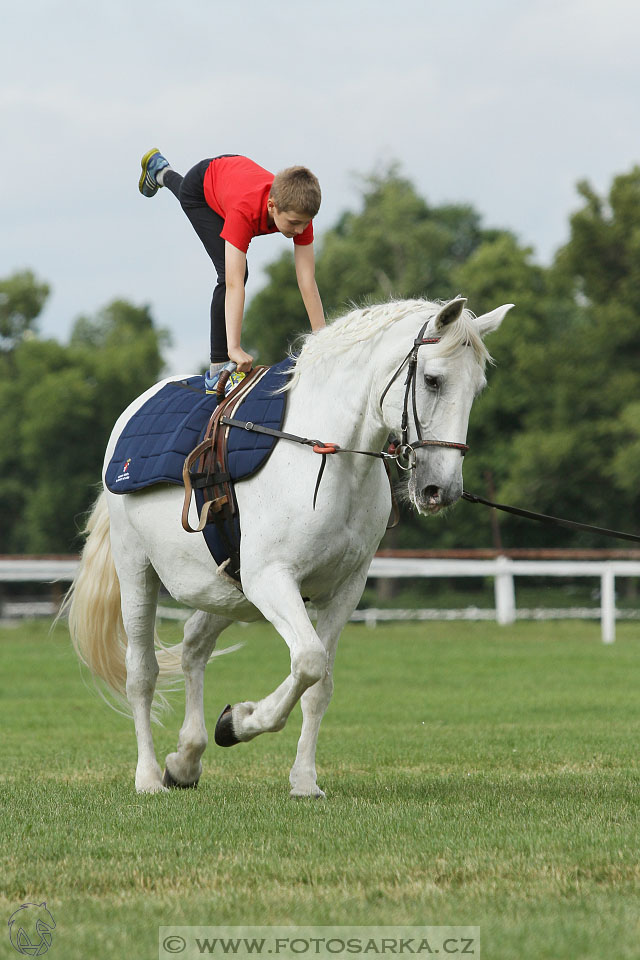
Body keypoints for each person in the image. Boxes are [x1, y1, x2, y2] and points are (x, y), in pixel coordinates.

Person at [139, 149, 325, 377]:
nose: (300, 230)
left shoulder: (301, 214)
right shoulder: (244, 212)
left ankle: (161, 171)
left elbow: (307, 280)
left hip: (232, 177)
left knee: (228, 242)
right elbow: (234, 282)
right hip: (203, 188)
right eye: (294, 223)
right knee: (231, 272)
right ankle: (217, 368)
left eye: (306, 223)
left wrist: (322, 340)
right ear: (272, 206)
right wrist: (234, 348)